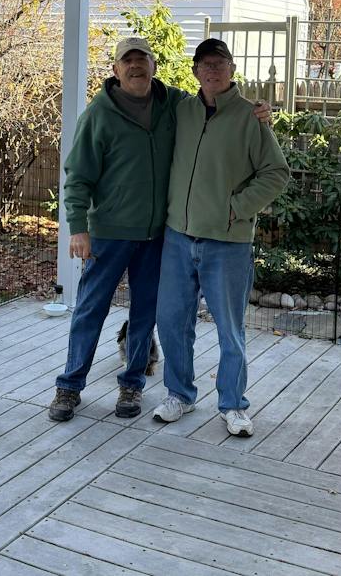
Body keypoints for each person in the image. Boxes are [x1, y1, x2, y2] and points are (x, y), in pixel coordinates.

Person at [49, 35, 270, 423]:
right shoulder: (98, 114)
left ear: (154, 66)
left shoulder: (174, 105)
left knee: (145, 315)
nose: (136, 66)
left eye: (142, 60)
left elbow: (216, 101)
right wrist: (78, 227)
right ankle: (69, 386)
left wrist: (258, 109)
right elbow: (77, 175)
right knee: (89, 310)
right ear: (116, 69)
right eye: (127, 61)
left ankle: (132, 383)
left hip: (156, 236)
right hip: (108, 234)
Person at [153, 37, 290, 437]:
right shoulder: (181, 110)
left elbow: (276, 172)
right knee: (172, 322)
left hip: (227, 242)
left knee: (230, 329)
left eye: (220, 63)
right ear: (195, 71)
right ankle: (180, 395)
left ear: (232, 69)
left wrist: (237, 208)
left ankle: (233, 405)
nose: (212, 70)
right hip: (178, 237)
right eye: (205, 64)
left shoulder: (250, 116)